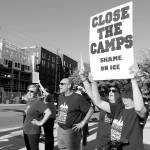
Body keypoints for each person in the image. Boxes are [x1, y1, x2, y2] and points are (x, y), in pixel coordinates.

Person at [80, 66, 148, 150]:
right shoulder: (118, 109)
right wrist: (92, 83)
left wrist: (133, 81)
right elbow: (98, 102)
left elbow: (139, 109)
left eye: (128, 94)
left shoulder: (137, 112)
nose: (125, 97)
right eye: (124, 94)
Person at [57, 77, 94, 150]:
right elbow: (61, 110)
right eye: (59, 84)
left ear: (69, 86)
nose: (59, 85)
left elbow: (91, 109)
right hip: (60, 129)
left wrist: (83, 123)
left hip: (72, 131)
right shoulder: (60, 96)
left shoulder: (78, 97)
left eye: (62, 84)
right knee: (62, 148)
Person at [23, 84, 51, 150]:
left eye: (32, 91)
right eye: (28, 90)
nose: (29, 92)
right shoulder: (30, 101)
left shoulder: (38, 102)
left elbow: (48, 112)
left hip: (33, 131)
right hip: (26, 130)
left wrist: (40, 123)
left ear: (36, 93)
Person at [95, 84, 123, 150]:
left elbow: (97, 101)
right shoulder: (105, 101)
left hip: (111, 143)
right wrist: (86, 82)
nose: (110, 92)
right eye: (109, 90)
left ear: (120, 94)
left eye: (113, 91)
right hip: (100, 140)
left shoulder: (120, 107)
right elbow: (94, 97)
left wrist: (92, 83)